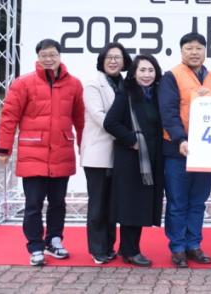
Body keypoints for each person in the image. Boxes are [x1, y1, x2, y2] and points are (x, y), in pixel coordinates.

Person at [0, 39, 85, 266]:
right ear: (38, 57)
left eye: (53, 54)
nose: (49, 59)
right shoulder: (23, 83)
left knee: (58, 203)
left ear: (60, 56)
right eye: (44, 55)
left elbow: (80, 120)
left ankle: (54, 240)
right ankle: (35, 246)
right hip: (32, 153)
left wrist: (84, 147)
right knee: (33, 204)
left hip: (61, 153)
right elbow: (9, 117)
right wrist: (4, 148)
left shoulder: (74, 84)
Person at [159, 32, 211, 268]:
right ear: (181, 51)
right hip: (178, 150)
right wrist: (180, 139)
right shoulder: (171, 76)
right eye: (189, 48)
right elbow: (168, 113)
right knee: (177, 202)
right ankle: (177, 248)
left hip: (205, 152)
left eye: (198, 48)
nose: (194, 52)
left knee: (198, 201)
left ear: (205, 51)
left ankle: (194, 245)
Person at [103, 54, 165, 267]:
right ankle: (131, 251)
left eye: (151, 70)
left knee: (140, 204)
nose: (147, 75)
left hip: (151, 158)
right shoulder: (126, 93)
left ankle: (127, 248)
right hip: (131, 159)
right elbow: (110, 122)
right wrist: (131, 140)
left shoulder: (156, 94)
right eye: (142, 70)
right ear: (133, 73)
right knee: (131, 205)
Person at [80, 42, 132, 264]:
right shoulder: (93, 85)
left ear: (124, 61)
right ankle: (98, 249)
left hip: (119, 154)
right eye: (109, 57)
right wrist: (128, 136)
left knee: (112, 205)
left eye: (117, 57)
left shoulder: (126, 84)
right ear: (101, 61)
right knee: (98, 204)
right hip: (98, 153)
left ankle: (109, 246)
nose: (113, 61)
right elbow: (101, 118)